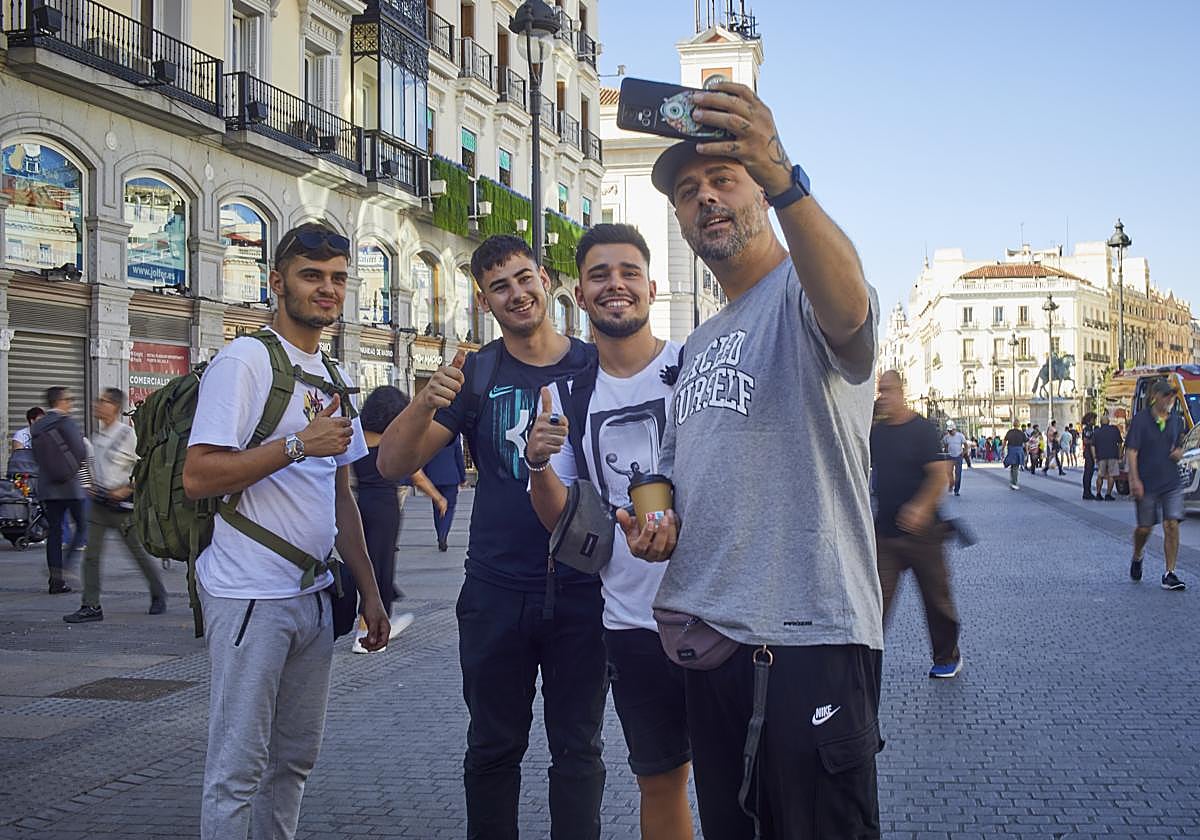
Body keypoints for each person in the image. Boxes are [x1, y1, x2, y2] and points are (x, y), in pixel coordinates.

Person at [621, 81, 884, 838]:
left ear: (760, 196)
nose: (705, 198)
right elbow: (668, 470)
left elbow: (850, 317)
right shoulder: (700, 342)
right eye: (688, 191)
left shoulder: (807, 288)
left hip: (811, 639)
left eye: (723, 179)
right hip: (715, 646)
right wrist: (654, 520)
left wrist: (784, 174)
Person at [377, 234, 604, 839]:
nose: (517, 293)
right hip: (496, 591)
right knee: (492, 749)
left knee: (578, 753)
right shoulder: (477, 372)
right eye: (500, 286)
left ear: (547, 280)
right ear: (484, 300)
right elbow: (392, 465)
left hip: (582, 589)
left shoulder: (593, 364)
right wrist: (426, 400)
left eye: (525, 278)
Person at [182, 222, 390, 840]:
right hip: (250, 595)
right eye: (311, 276)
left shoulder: (329, 371)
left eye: (338, 280)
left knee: (294, 760)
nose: (327, 290)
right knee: (237, 768)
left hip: (313, 600)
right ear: (276, 283)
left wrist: (372, 593)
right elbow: (199, 475)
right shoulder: (244, 361)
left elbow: (340, 496)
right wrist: (298, 444)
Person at [527, 223, 693, 840]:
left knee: (743, 776)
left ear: (651, 287)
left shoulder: (692, 363)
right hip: (631, 619)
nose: (615, 285)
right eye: (599, 274)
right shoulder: (563, 393)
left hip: (720, 607)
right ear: (579, 292)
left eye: (628, 273)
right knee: (660, 779)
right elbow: (559, 517)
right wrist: (539, 463)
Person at [873, 371, 962, 678]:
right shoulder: (876, 431)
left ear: (902, 391)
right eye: (879, 391)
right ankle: (866, 659)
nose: (883, 396)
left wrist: (920, 507)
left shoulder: (923, 429)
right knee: (875, 601)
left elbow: (941, 475)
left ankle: (947, 655)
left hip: (925, 535)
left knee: (937, 600)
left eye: (888, 390)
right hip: (886, 533)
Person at [62, 388, 167, 623]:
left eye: (104, 401)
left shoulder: (129, 436)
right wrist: (90, 486)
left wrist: (127, 489)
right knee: (91, 556)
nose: (98, 404)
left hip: (123, 507)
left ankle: (158, 593)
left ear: (116, 408)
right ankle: (91, 605)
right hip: (99, 504)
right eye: (99, 400)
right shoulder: (97, 438)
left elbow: (146, 469)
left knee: (137, 553)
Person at [349, 385, 435, 654]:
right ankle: (367, 631)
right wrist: (438, 497)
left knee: (368, 563)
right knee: (382, 566)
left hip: (361, 505)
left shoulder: (357, 437)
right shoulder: (390, 441)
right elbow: (415, 474)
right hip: (385, 507)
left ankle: (373, 623)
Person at [1125, 379, 1187, 591]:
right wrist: (1134, 479)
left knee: (1172, 524)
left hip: (1171, 481)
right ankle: (1137, 555)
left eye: (1172, 395)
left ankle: (1169, 572)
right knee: (1144, 528)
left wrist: (1179, 451)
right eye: (1167, 395)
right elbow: (1131, 451)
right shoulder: (1141, 421)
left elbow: (1180, 443)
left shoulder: (1176, 420)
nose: (1171, 399)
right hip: (1147, 481)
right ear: (1156, 397)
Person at [30, 387, 87, 594]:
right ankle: (64, 568)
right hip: (70, 486)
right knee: (81, 526)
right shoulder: (66, 422)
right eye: (68, 399)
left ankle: (56, 582)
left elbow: (36, 456)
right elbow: (80, 450)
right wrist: (71, 470)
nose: (71, 403)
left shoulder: (37, 426)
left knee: (54, 532)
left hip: (47, 487)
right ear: (60, 401)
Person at [422, 436, 466, 553]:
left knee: (437, 508)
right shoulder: (454, 438)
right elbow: (459, 458)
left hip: (433, 477)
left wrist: (424, 477)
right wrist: (463, 477)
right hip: (451, 477)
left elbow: (424, 458)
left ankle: (439, 535)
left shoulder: (430, 436)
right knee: (449, 508)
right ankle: (443, 535)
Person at [1092, 413, 1123, 500]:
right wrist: (1120, 455)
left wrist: (1095, 456)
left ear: (1101, 422)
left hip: (1101, 456)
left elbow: (1093, 445)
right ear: (1109, 422)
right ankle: (1108, 494)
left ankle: (1098, 494)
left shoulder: (1097, 432)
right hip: (1113, 455)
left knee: (1100, 475)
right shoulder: (1114, 430)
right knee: (1111, 475)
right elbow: (1120, 443)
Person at [942, 420, 967, 495]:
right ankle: (951, 483)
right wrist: (945, 454)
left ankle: (956, 490)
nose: (950, 432)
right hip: (949, 456)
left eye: (951, 431)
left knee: (958, 473)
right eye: (949, 431)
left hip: (958, 456)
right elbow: (945, 446)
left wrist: (963, 453)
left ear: (954, 429)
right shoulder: (946, 437)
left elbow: (965, 445)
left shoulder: (960, 436)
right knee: (949, 472)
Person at [1004, 422, 1027, 489]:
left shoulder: (1010, 432)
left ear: (1013, 425)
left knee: (1013, 466)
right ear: (1019, 425)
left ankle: (1012, 481)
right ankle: (1014, 483)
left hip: (1011, 450)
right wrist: (1027, 451)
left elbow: (1005, 441)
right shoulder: (1021, 433)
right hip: (1019, 450)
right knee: (1016, 467)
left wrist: (1003, 448)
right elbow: (1025, 443)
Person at [1080, 411, 1097, 499]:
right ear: (1090, 420)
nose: (1095, 421)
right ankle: (1087, 492)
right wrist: (1094, 442)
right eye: (1094, 419)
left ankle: (1087, 491)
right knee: (1088, 472)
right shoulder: (1088, 429)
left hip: (1088, 452)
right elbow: (1086, 440)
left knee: (1089, 472)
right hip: (1089, 452)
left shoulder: (1089, 428)